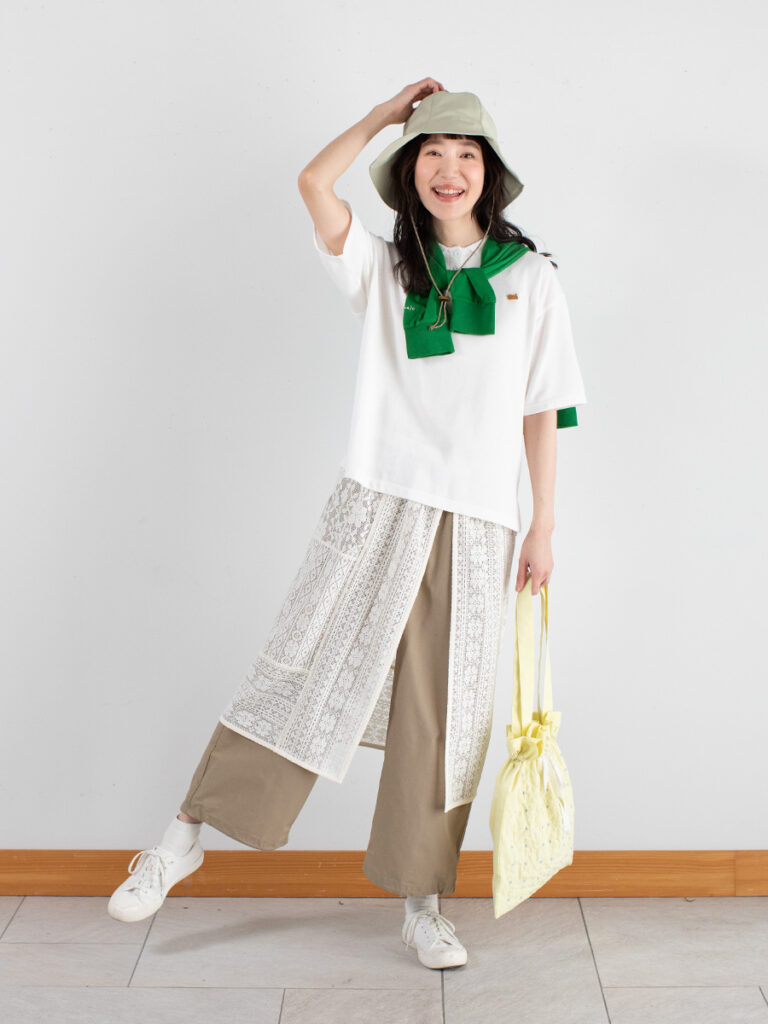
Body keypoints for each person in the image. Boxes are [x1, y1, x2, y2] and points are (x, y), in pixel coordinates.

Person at [106, 78, 587, 971]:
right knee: (303, 668)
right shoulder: (384, 267)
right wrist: (380, 118)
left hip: (480, 520)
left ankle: (422, 903)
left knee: (443, 721)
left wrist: (543, 523)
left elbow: (542, 410)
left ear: (490, 174)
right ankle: (181, 839)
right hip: (375, 498)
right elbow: (312, 183)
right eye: (432, 153)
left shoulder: (531, 280)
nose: (449, 169)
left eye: (467, 155)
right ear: (409, 171)